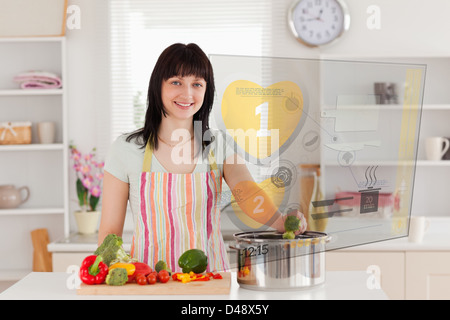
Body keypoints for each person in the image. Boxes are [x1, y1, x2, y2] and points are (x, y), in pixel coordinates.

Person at [99, 43, 306, 273]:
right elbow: (109, 233)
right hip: (149, 282)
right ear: (158, 85)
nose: (187, 93)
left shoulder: (219, 145)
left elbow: (246, 191)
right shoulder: (125, 149)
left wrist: (280, 221)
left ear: (206, 91)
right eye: (176, 82)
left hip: (209, 281)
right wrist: (109, 283)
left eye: (197, 84)